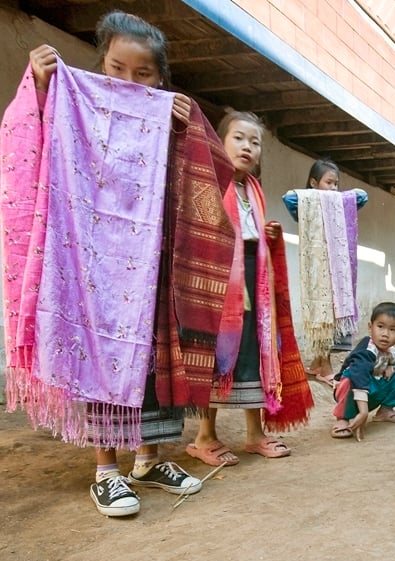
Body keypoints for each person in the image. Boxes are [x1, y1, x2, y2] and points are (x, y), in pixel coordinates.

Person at [1, 11, 237, 516]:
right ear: (100, 67)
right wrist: (42, 87)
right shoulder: (75, 104)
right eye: (116, 69)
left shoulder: (171, 114)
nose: (128, 82)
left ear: (160, 77)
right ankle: (106, 469)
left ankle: (149, 459)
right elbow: (28, 141)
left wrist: (187, 128)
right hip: (93, 269)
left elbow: (214, 172)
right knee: (103, 358)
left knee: (153, 360)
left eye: (143, 73)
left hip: (154, 264)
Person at [186, 111, 314, 466]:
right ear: (219, 142)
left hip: (253, 286)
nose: (247, 147)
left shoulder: (251, 190)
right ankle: (204, 436)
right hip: (219, 288)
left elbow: (249, 233)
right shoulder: (210, 182)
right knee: (217, 361)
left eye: (255, 142)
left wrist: (266, 234)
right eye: (239, 138)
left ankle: (254, 434)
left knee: (254, 358)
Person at [282, 159, 367, 388]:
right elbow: (288, 197)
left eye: (336, 184)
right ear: (313, 182)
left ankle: (320, 362)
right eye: (329, 183)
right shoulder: (304, 206)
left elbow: (362, 196)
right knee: (323, 313)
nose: (333, 189)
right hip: (317, 271)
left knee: (333, 311)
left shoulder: (339, 206)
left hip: (337, 271)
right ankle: (324, 365)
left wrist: (334, 197)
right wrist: (313, 196)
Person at [330, 302, 395, 440]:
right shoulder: (366, 349)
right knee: (349, 377)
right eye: (380, 327)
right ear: (370, 327)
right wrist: (363, 412)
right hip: (351, 394)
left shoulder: (391, 351)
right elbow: (359, 376)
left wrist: (389, 366)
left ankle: (385, 411)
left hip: (371, 392)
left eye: (392, 330)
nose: (385, 334)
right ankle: (342, 418)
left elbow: (390, 362)